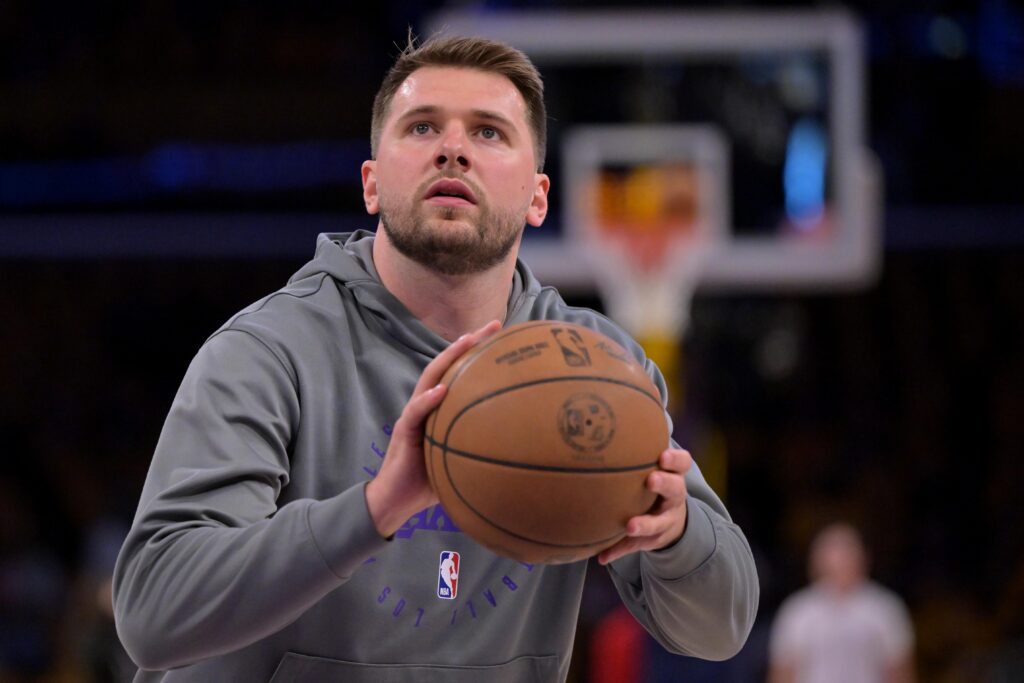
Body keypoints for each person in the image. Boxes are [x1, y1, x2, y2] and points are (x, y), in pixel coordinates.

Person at [112, 34, 759, 682]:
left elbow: (721, 627)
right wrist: (373, 509)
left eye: (489, 132)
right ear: (371, 183)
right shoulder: (266, 353)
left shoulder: (597, 367)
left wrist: (676, 536)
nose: (453, 148)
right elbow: (151, 612)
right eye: (422, 127)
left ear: (538, 197)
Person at [769, 523, 915, 683]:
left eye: (848, 549)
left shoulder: (885, 607)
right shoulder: (798, 610)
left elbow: (899, 670)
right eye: (834, 549)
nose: (842, 557)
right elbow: (783, 671)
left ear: (863, 556)